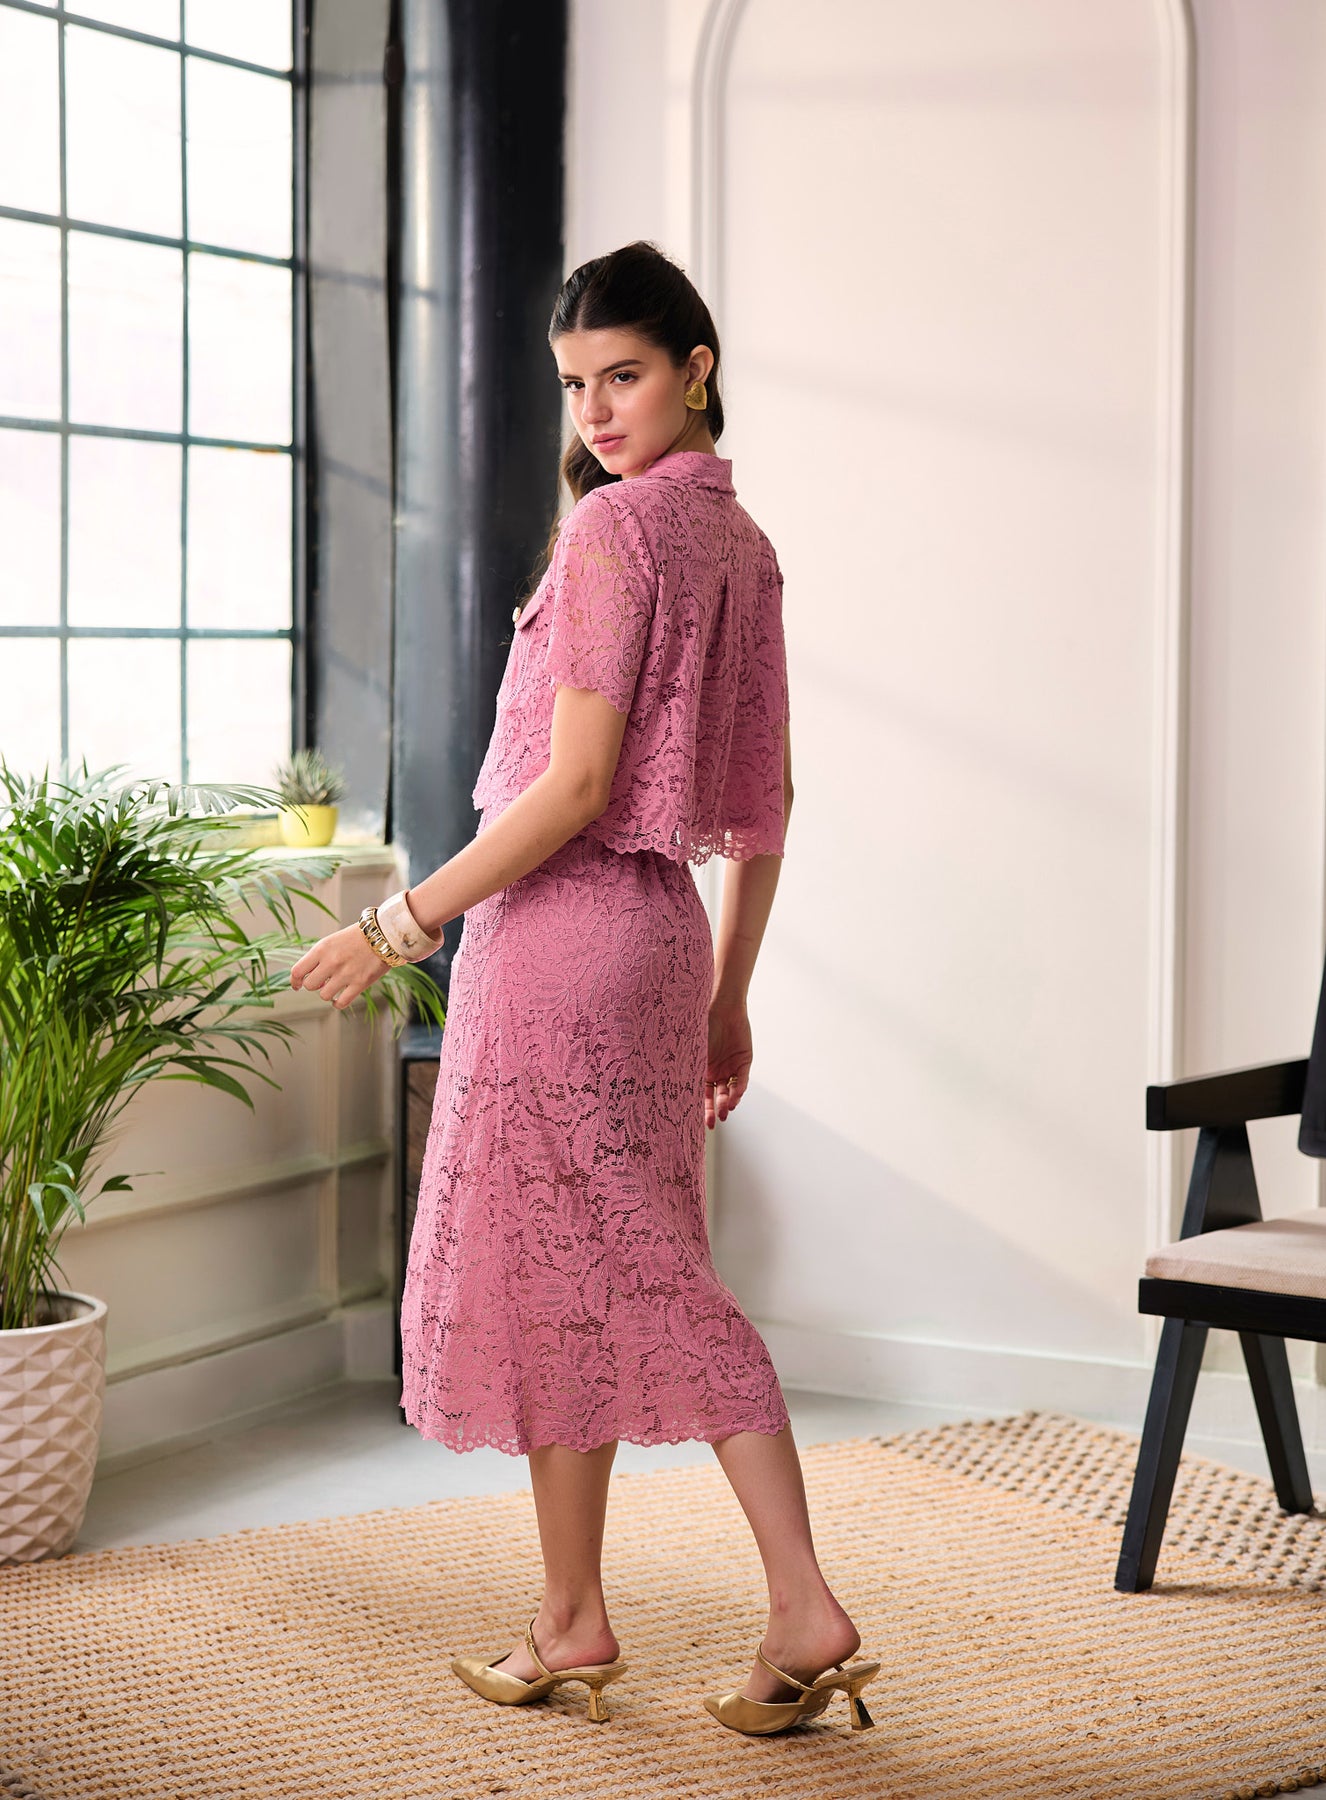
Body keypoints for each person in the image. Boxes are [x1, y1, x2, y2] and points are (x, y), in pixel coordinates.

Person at [290, 240, 879, 1738]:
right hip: (659, 943)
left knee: (643, 1273)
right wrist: (727, 993)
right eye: (573, 384)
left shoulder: (617, 531)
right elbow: (768, 805)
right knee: (579, 1275)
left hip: (560, 949)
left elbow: (574, 788)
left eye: (624, 375)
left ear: (696, 369)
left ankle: (802, 1602)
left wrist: (399, 922)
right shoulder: (741, 544)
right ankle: (570, 1617)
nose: (597, 410)